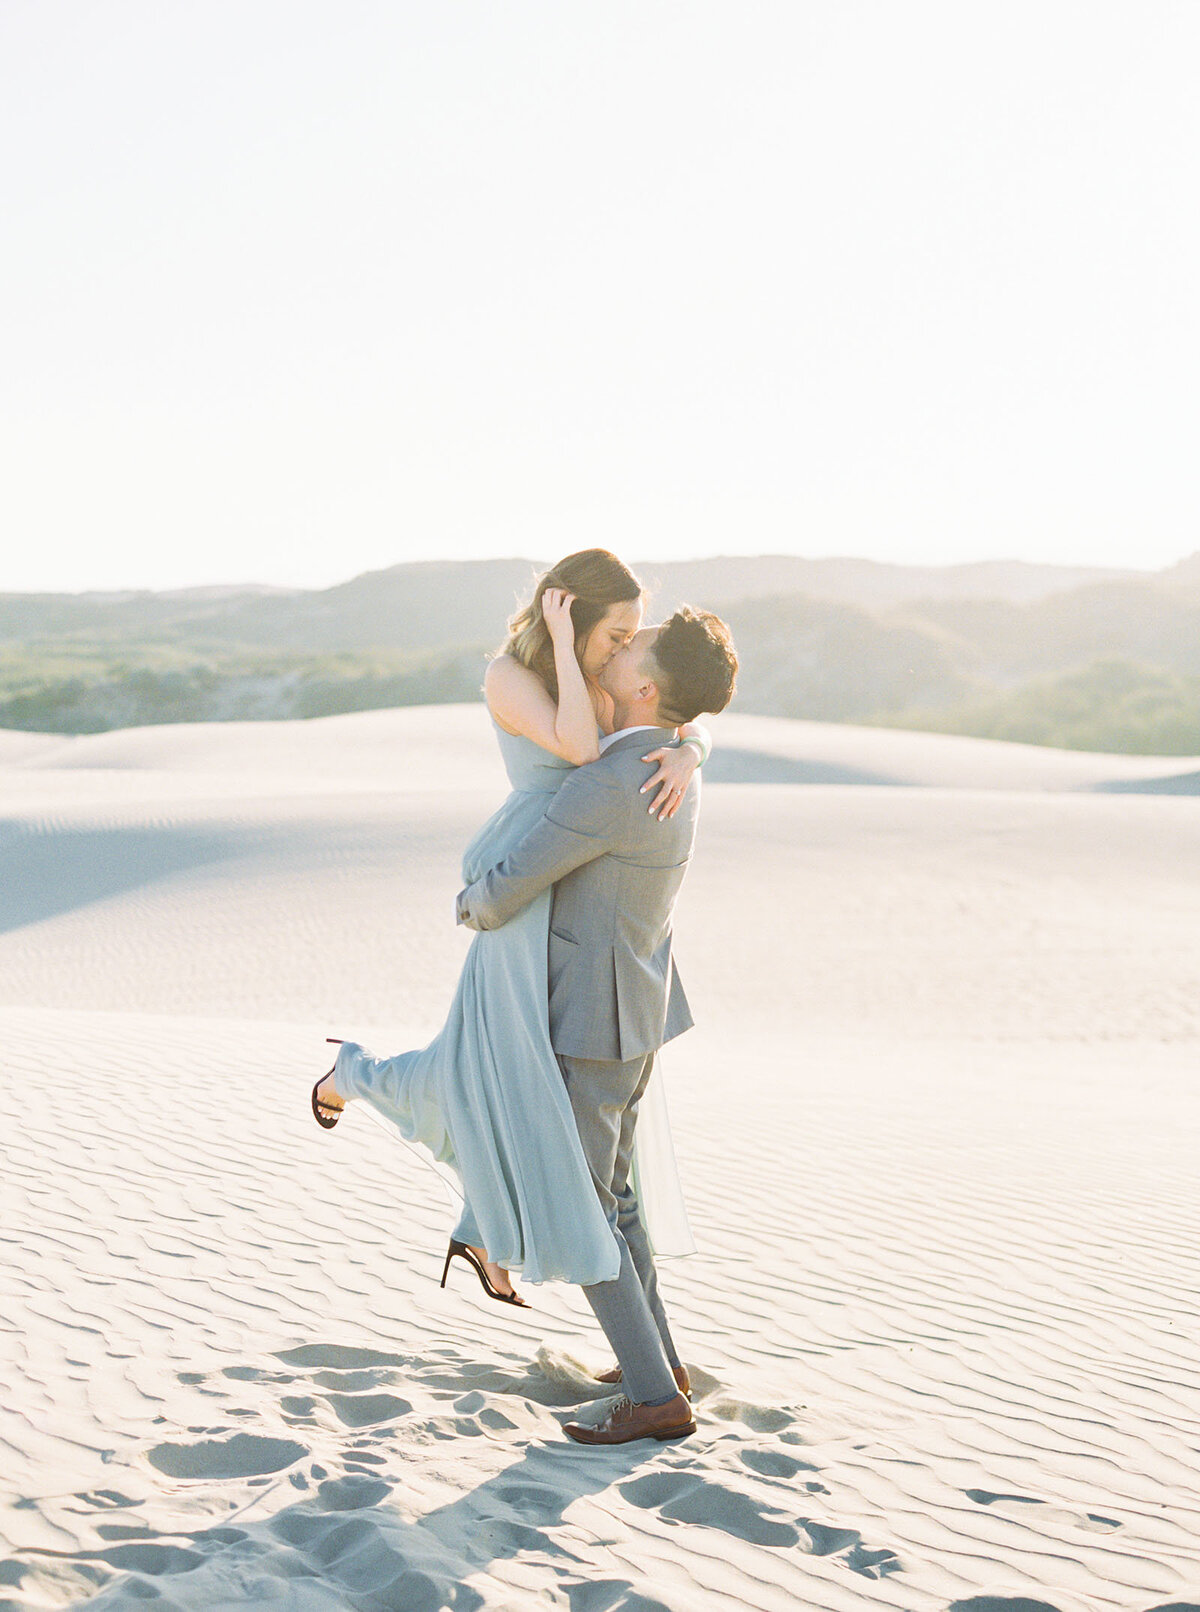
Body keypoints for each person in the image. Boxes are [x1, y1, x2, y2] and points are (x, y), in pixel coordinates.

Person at [310, 550, 711, 1304]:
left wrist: (688, 750)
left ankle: (482, 1230)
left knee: (519, 1082)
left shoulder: (607, 678)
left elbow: (679, 716)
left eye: (632, 637)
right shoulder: (511, 675)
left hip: (578, 881)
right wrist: (563, 649)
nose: (625, 650)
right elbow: (585, 751)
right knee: (480, 1072)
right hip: (525, 876)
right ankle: (354, 1074)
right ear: (572, 616)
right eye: (614, 632)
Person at [455, 607, 738, 1444]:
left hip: (594, 1020)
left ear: (646, 689)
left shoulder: (612, 783)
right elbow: (689, 734)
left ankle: (655, 1400)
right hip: (637, 1009)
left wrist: (469, 901)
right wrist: (693, 744)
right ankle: (662, 1364)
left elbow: (515, 879)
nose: (619, 648)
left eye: (631, 647)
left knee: (584, 1206)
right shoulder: (668, 763)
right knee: (615, 1203)